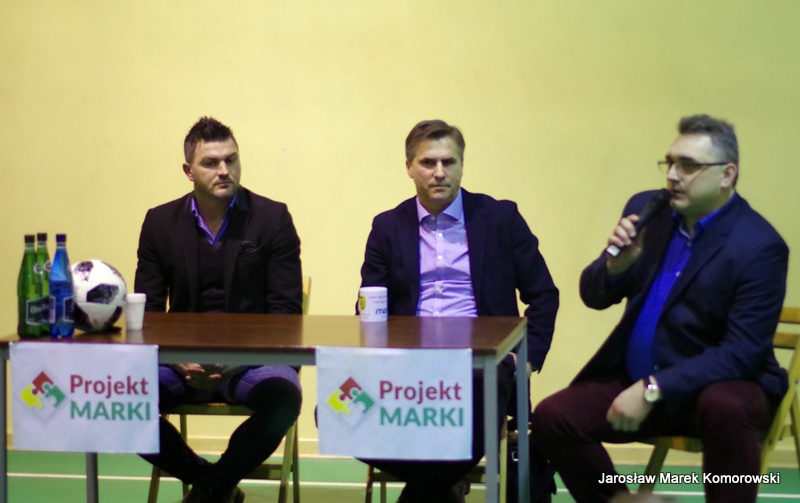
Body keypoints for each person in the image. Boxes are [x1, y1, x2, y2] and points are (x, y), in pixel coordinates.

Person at [531, 114, 789, 503]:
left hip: (713, 388)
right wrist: (616, 267)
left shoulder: (758, 246)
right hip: (637, 378)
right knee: (554, 417)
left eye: (688, 165)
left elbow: (742, 352)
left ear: (727, 174)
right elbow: (593, 295)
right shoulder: (648, 210)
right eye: (669, 163)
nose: (672, 175)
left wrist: (656, 387)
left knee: (726, 407)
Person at [358, 119, 560, 502]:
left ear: (462, 164)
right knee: (336, 408)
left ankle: (431, 486)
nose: (439, 172)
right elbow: (369, 306)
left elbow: (544, 295)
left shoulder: (500, 218)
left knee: (483, 388)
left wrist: (526, 358)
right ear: (409, 167)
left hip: (482, 362)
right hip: (407, 364)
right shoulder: (387, 227)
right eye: (428, 162)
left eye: (449, 162)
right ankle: (444, 481)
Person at [134, 117, 303, 503]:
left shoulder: (272, 218)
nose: (224, 170)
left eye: (231, 159)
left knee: (283, 399)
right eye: (210, 162)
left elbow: (286, 311)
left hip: (254, 359)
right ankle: (212, 483)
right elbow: (149, 312)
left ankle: (210, 490)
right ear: (188, 170)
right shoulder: (159, 223)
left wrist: (238, 358)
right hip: (180, 361)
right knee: (119, 402)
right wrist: (176, 358)